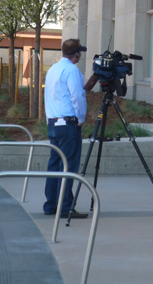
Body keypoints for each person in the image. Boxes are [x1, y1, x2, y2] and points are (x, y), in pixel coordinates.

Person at [43, 38, 88, 218]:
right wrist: (81, 117)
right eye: (80, 53)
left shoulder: (53, 69)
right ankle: (65, 207)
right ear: (76, 54)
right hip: (68, 123)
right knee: (68, 165)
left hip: (54, 122)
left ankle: (51, 204)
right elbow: (77, 96)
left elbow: (49, 96)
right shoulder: (72, 70)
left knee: (54, 164)